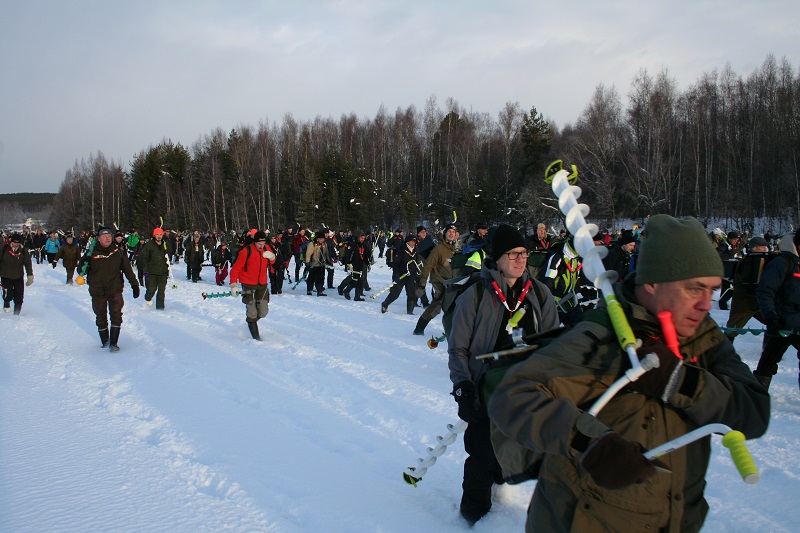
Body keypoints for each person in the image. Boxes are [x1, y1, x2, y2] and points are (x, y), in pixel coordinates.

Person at [488, 214, 769, 532]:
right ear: (652, 283)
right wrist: (590, 442)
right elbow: (513, 395)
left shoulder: (706, 338)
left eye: (712, 290)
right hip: (580, 521)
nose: (707, 304)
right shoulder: (601, 338)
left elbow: (755, 413)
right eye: (694, 289)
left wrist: (681, 381)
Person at [448, 224, 559, 524]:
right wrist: (462, 386)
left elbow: (554, 345)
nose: (520, 260)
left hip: (525, 390)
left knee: (517, 452)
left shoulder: (540, 294)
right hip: (484, 391)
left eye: (523, 253)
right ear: (496, 258)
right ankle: (471, 516)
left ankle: (501, 490)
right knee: (481, 456)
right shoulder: (475, 295)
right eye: (512, 254)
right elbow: (458, 348)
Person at [78, 227, 140, 351]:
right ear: (98, 239)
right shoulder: (91, 253)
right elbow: (81, 271)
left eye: (109, 236)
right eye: (104, 236)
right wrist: (83, 262)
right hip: (97, 291)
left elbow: (128, 269)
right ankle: (105, 341)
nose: (107, 238)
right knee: (101, 317)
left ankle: (113, 343)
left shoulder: (118, 252)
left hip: (114, 289)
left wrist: (134, 284)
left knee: (116, 314)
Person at [753, 232, 800, 391]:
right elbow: (765, 291)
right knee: (768, 362)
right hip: (781, 322)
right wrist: (771, 317)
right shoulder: (782, 263)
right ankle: (757, 396)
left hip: (798, 322)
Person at [724, 236, 773, 344]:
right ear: (753, 248)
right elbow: (746, 283)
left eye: (765, 246)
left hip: (757, 301)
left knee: (775, 324)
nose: (765, 248)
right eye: (762, 246)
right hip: (744, 302)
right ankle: (720, 354)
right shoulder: (749, 261)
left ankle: (769, 350)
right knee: (731, 330)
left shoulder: (757, 259)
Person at [229, 230, 276, 340]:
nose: (261, 246)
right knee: (252, 311)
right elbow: (235, 269)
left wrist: (272, 257)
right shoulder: (246, 251)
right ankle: (256, 337)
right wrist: (233, 285)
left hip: (262, 284)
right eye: (259, 244)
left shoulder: (267, 249)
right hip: (248, 284)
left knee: (263, 311)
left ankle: (251, 321)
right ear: (254, 242)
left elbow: (273, 262)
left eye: (263, 243)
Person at [413, 223, 459, 335]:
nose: (451, 234)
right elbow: (427, 266)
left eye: (453, 232)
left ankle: (453, 332)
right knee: (437, 307)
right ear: (445, 234)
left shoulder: (455, 249)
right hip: (440, 283)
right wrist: (421, 285)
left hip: (452, 283)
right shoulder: (439, 249)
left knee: (451, 307)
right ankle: (419, 329)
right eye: (449, 232)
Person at [381, 235, 424, 315]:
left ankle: (410, 311)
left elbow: (416, 260)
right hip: (401, 275)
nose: (413, 243)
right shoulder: (401, 249)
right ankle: (385, 304)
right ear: (407, 241)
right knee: (395, 294)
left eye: (414, 241)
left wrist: (417, 270)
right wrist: (396, 274)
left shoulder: (415, 249)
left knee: (411, 293)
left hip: (411, 275)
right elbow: (396, 263)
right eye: (412, 241)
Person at [1, 233, 34, 315]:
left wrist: (30, 275)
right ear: (11, 242)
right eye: (14, 242)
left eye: (17, 243)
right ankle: (6, 302)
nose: (16, 244)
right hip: (5, 276)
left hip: (18, 276)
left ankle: (16, 315)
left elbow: (28, 263)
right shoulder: (4, 249)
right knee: (8, 295)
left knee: (19, 297)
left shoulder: (23, 251)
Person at [140, 227, 171, 309]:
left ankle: (160, 308)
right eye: (157, 234)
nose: (159, 236)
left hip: (163, 272)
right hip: (152, 272)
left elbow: (170, 253)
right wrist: (145, 270)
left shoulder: (164, 244)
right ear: (154, 235)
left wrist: (168, 249)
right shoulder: (149, 245)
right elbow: (144, 258)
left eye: (160, 234)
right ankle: (148, 298)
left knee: (161, 291)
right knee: (152, 289)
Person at [305, 230, 329, 296]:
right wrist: (307, 263)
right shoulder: (312, 244)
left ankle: (319, 290)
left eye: (323, 239)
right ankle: (309, 290)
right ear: (317, 238)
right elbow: (308, 254)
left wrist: (328, 260)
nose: (322, 240)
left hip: (321, 264)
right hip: (313, 264)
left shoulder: (324, 244)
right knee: (311, 277)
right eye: (320, 239)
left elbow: (326, 253)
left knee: (321, 277)